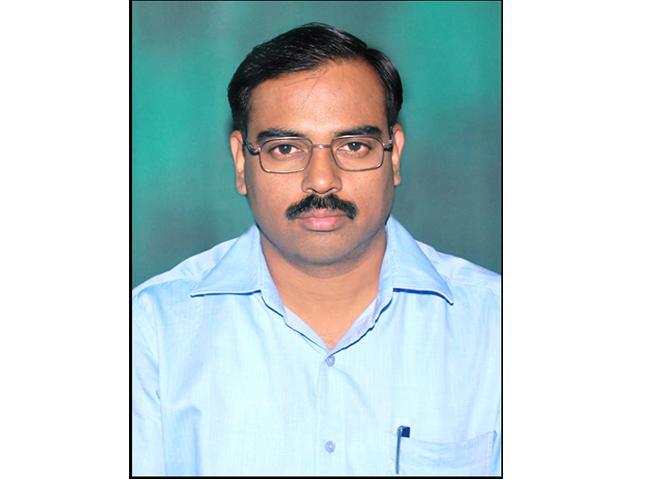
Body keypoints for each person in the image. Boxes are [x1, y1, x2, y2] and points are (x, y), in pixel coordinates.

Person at [132, 22, 500, 476]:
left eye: (354, 145)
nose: (322, 180)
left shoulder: (493, 326)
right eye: (285, 148)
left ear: (394, 154)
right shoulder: (150, 334)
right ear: (241, 162)